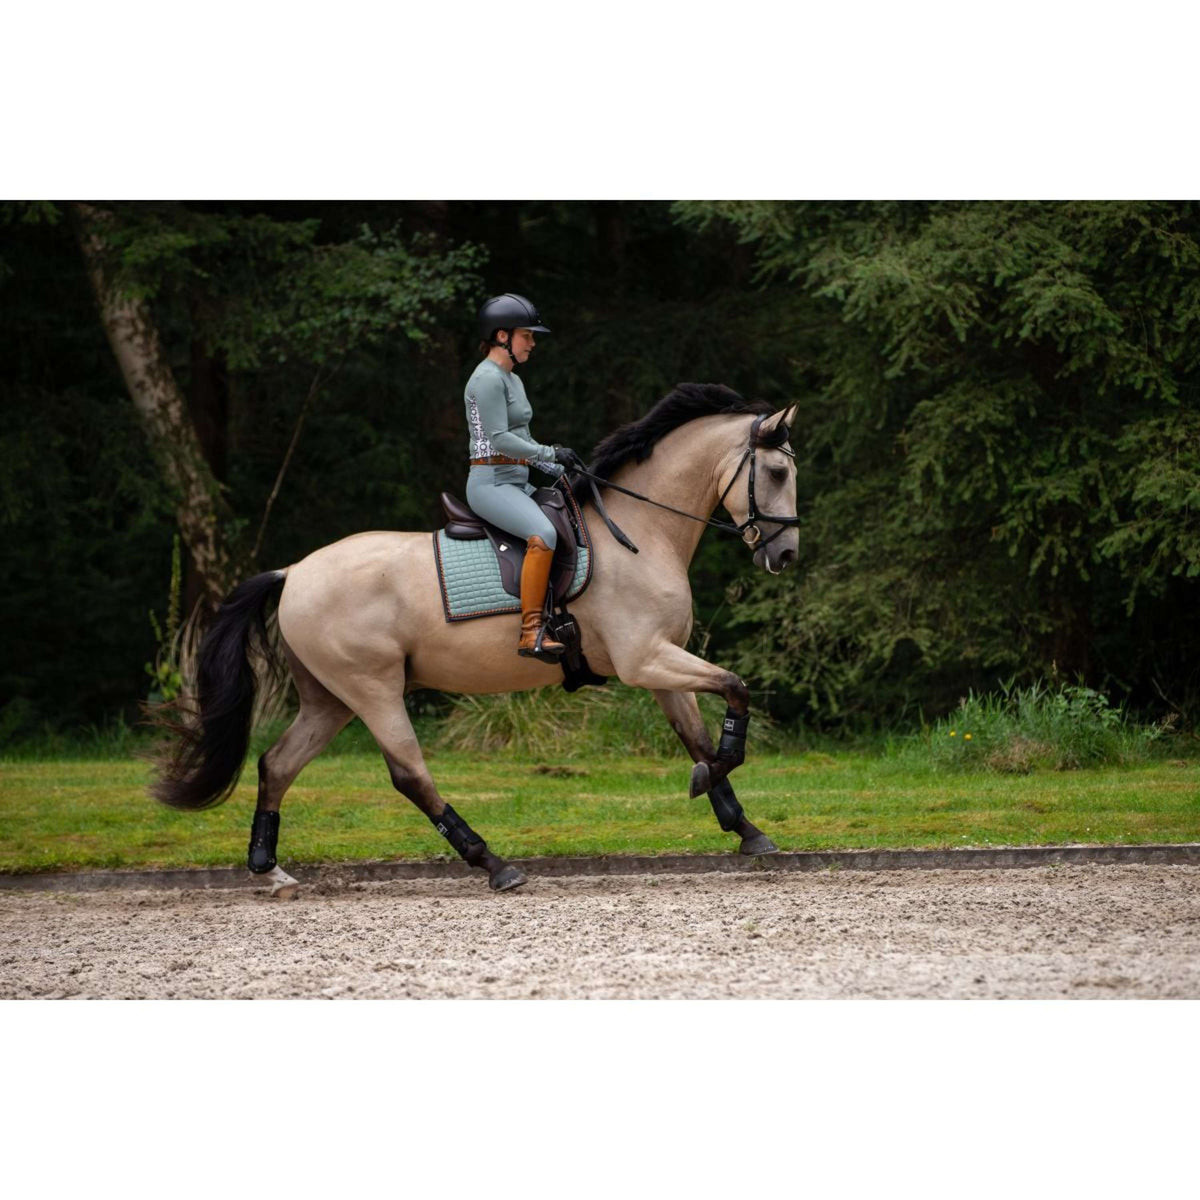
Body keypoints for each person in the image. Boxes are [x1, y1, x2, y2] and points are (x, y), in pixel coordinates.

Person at [464, 293, 584, 657]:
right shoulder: (486, 379)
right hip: (491, 484)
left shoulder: (512, 379)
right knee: (543, 534)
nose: (533, 343)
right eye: (527, 335)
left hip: (517, 481)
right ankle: (530, 631)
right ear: (503, 336)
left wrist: (559, 466)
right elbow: (500, 439)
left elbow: (523, 440)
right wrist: (548, 453)